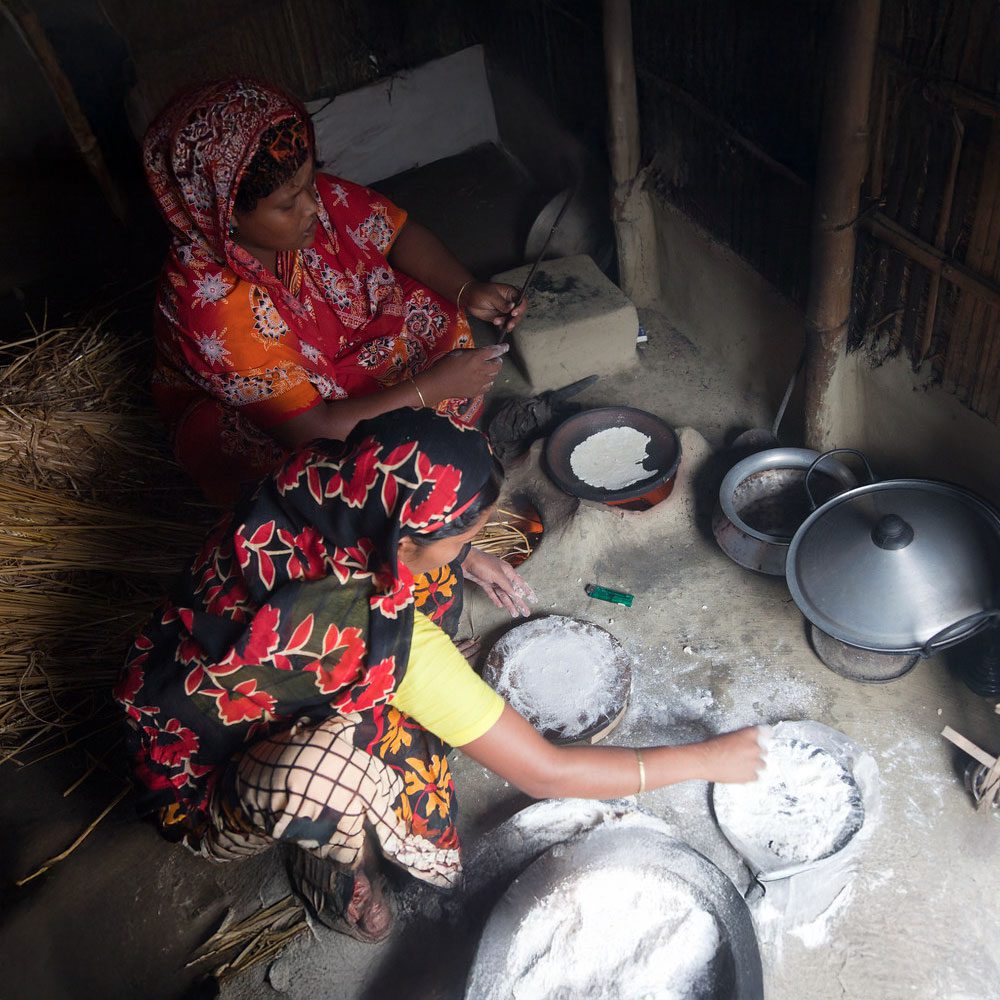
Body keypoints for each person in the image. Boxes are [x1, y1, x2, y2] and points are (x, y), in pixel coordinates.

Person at [115, 409, 765, 942]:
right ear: (403, 543)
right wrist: (707, 758)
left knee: (432, 589)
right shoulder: (379, 642)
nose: (466, 548)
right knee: (345, 768)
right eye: (459, 537)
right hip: (198, 780)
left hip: (178, 678)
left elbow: (408, 544)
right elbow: (547, 772)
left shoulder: (320, 476)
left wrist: (467, 558)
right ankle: (331, 868)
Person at [143, 77, 525, 507]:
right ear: (224, 214)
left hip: (344, 350)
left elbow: (396, 233)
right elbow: (314, 431)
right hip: (283, 419)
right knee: (305, 478)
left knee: (438, 313)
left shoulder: (305, 198)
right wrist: (429, 390)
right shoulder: (213, 310)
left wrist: (467, 289)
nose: (312, 205)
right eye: (288, 203)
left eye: (309, 180)